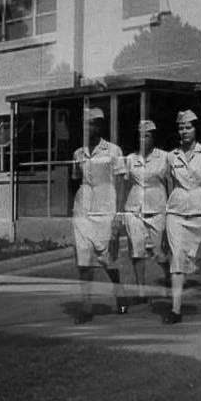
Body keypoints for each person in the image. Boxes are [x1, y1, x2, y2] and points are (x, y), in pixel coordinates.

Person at [71, 108, 125, 323]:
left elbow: (121, 183)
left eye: (93, 124)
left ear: (100, 126)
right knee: (83, 259)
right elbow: (75, 180)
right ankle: (86, 307)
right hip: (82, 210)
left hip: (106, 207)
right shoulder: (78, 153)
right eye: (86, 124)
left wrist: (119, 213)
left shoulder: (113, 151)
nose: (89, 128)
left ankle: (120, 295)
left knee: (107, 259)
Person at [164, 110, 201, 324]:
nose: (184, 131)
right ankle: (176, 309)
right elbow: (169, 184)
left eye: (188, 127)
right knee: (177, 257)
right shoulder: (171, 156)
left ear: (196, 129)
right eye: (181, 128)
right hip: (176, 212)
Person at [120, 120, 170, 304]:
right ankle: (141, 290)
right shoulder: (130, 159)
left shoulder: (165, 157)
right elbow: (124, 185)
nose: (143, 139)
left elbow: (171, 184)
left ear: (154, 137)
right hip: (134, 209)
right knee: (137, 251)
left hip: (158, 208)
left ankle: (169, 281)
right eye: (140, 135)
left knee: (160, 252)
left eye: (147, 135)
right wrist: (120, 213)